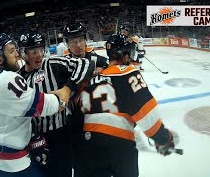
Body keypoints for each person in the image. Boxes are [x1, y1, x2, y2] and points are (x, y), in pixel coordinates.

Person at [74, 34, 177, 177]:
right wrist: (164, 138)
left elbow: (76, 117)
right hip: (118, 145)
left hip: (87, 146)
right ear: (125, 55)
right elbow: (147, 114)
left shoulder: (91, 81)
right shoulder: (128, 72)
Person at [18, 32, 106, 177]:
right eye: (34, 51)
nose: (39, 55)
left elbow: (85, 64)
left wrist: (68, 88)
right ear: (23, 54)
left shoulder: (52, 64)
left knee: (63, 172)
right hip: (33, 138)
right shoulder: (18, 78)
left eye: (41, 49)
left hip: (60, 133)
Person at [0, 33, 65, 177]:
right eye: (11, 51)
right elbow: (44, 106)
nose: (17, 54)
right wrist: (63, 95)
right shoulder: (9, 78)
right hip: (11, 161)